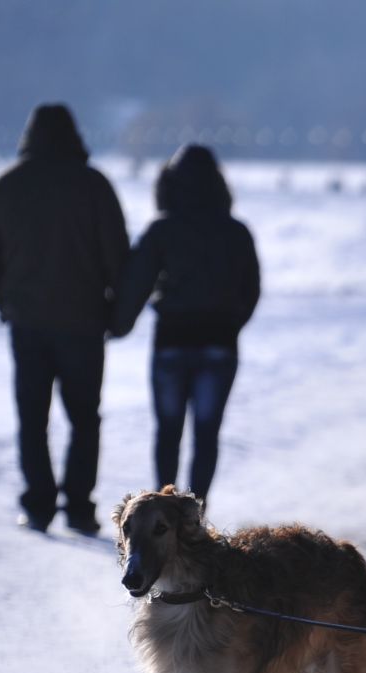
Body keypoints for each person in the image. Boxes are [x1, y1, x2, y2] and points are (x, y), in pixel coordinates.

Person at [0, 103, 127, 533]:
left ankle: (38, 506)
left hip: (28, 322)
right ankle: (80, 509)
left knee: (32, 418)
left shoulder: (6, 186)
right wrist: (115, 310)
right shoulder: (94, 185)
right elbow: (117, 253)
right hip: (84, 322)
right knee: (84, 418)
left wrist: (5, 299)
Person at [109, 145, 261, 504]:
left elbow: (136, 283)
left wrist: (116, 324)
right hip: (219, 345)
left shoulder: (161, 230)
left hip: (171, 342)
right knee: (207, 434)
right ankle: (195, 514)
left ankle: (164, 509)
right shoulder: (236, 231)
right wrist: (230, 325)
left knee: (167, 432)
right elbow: (251, 289)